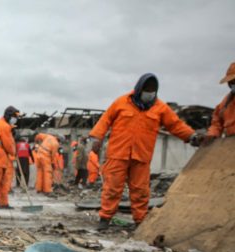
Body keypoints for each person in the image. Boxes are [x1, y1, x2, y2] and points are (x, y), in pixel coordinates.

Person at [89, 73, 200, 230]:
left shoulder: (161, 108)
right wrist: (97, 137)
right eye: (147, 90)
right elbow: (105, 119)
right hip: (118, 153)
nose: (150, 93)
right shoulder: (121, 102)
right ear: (139, 89)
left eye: (152, 91)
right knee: (112, 188)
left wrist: (191, 136)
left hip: (141, 156)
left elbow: (175, 125)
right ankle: (105, 219)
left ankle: (140, 221)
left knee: (140, 191)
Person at [208, 62, 235, 139]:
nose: (233, 84)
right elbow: (217, 122)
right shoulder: (226, 102)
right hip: (230, 143)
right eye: (231, 82)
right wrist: (212, 134)